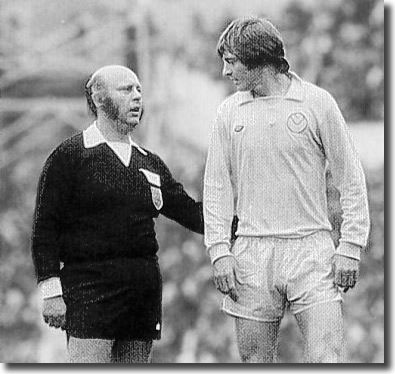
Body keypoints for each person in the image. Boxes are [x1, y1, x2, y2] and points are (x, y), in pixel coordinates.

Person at [203, 17, 370, 363]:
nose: (225, 72)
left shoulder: (316, 103)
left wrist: (351, 245)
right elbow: (217, 187)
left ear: (257, 58)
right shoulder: (228, 112)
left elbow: (350, 177)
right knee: (255, 361)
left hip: (311, 249)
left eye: (231, 61)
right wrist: (219, 249)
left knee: (327, 357)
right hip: (252, 251)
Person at [31, 65, 204, 363]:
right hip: (89, 289)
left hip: (141, 293)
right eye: (126, 90)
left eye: (139, 90)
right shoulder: (69, 156)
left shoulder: (149, 163)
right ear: (98, 98)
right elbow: (45, 228)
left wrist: (242, 221)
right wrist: (51, 292)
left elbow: (192, 213)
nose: (137, 97)